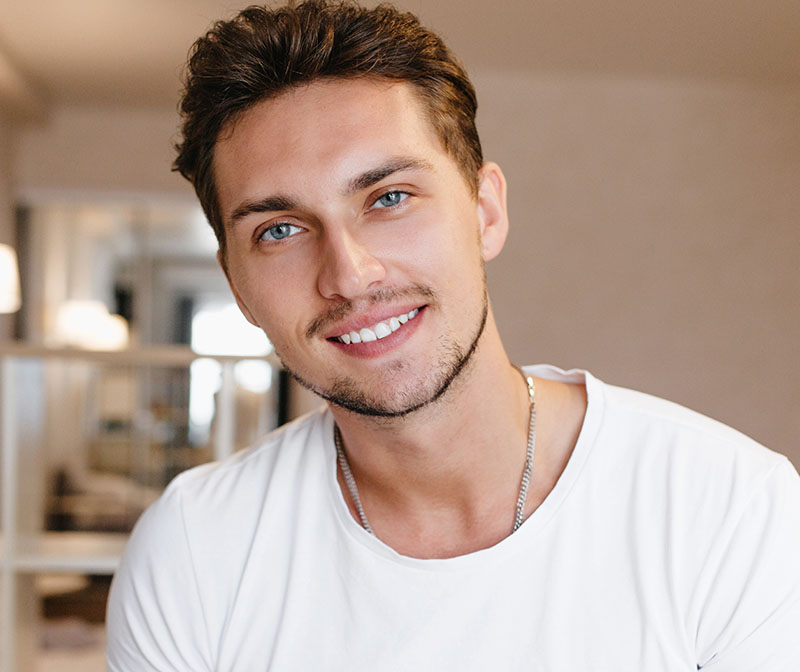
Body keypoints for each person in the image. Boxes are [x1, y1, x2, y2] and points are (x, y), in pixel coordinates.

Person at [106, 2, 800, 670]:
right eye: (279, 230)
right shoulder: (195, 551)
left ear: (486, 211)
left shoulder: (732, 510)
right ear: (237, 286)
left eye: (389, 198)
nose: (349, 275)